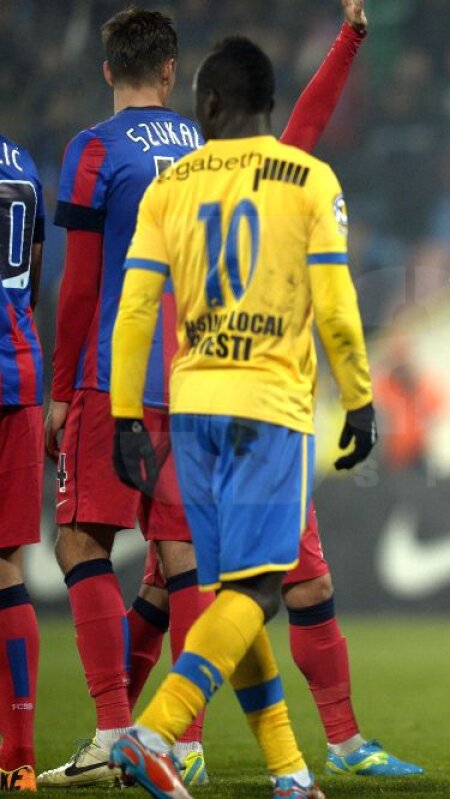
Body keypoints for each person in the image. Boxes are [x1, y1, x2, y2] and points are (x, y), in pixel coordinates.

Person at [116, 1, 423, 780]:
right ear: (268, 107)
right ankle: (155, 730)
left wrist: (123, 413)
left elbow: (135, 310)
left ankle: (292, 771)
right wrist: (360, 396)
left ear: (208, 104)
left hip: (188, 412)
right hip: (269, 409)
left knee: (238, 593)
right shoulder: (304, 179)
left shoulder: (172, 185)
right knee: (258, 590)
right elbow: (337, 305)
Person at [41, 9, 207, 787]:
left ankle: (114, 731)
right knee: (181, 555)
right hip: (198, 375)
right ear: (171, 71)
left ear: (108, 70)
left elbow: (78, 287)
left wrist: (61, 389)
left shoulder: (94, 149)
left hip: (117, 375)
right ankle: (187, 740)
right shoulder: (207, 150)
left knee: (80, 542)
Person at [0, 132, 45, 792]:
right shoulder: (22, 162)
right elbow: (35, 275)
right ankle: (20, 758)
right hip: (19, 367)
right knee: (6, 567)